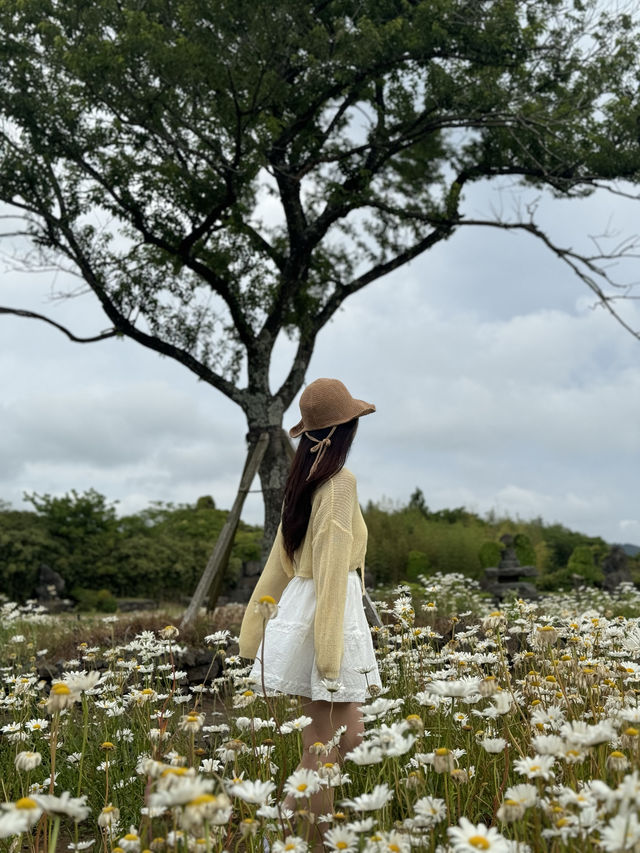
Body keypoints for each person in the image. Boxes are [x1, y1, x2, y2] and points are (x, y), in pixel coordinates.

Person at [238, 377, 382, 848]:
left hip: (308, 608)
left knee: (347, 740)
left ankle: (288, 831)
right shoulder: (339, 483)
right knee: (324, 748)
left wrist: (255, 627)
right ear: (344, 430)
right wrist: (329, 656)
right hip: (326, 612)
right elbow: (331, 569)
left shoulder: (306, 479)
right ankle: (305, 841)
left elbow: (278, 564)